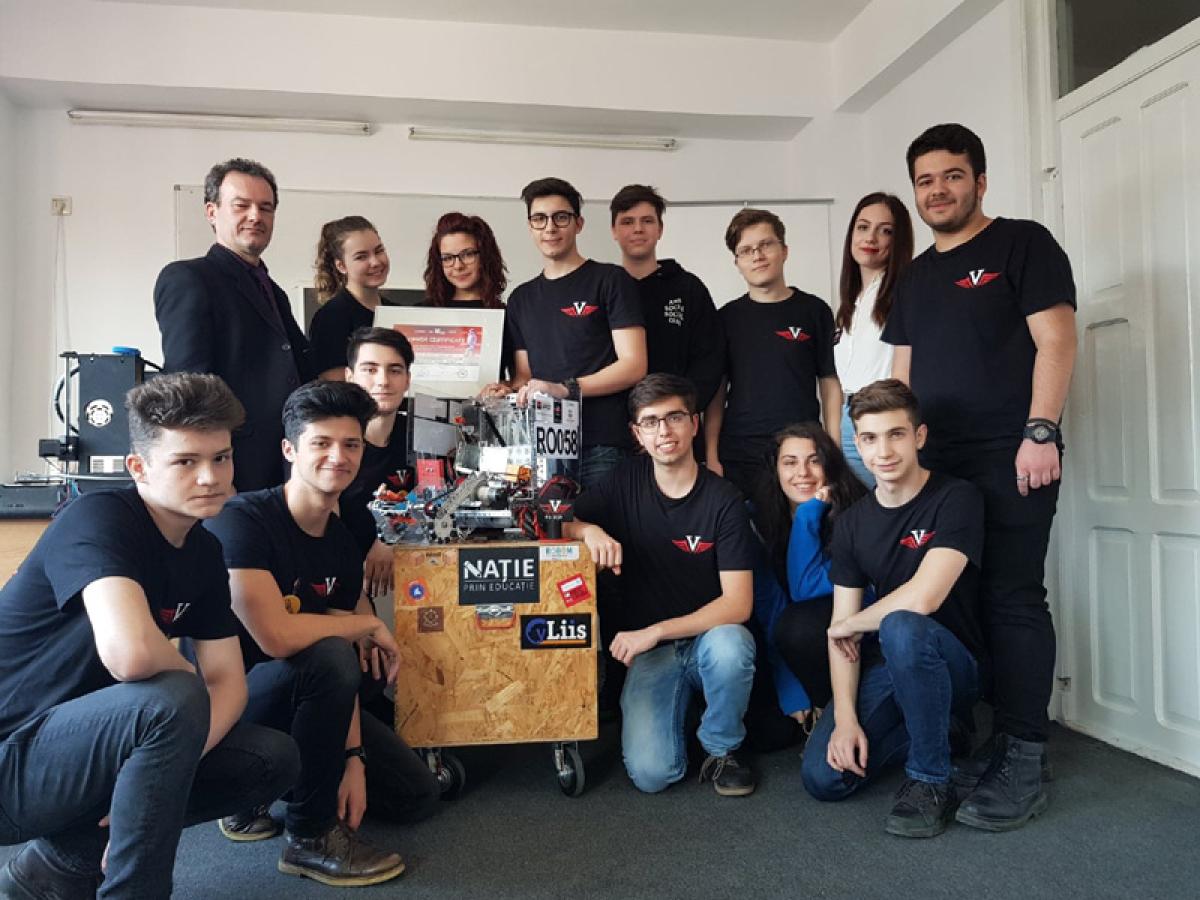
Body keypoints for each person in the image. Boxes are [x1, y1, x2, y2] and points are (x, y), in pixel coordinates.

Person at [0, 373, 299, 898]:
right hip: (13, 759)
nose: (210, 477)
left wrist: (159, 775)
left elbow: (229, 683)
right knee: (173, 697)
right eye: (185, 462)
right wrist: (181, 707)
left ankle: (59, 866)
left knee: (271, 757)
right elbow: (131, 655)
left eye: (222, 458)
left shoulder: (204, 550)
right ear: (138, 467)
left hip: (92, 749)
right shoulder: (97, 518)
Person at [884, 123, 1077, 831]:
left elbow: (1057, 338)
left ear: (981, 181)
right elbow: (902, 376)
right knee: (954, 600)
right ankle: (985, 735)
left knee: (1013, 596)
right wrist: (900, 459)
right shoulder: (914, 276)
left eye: (952, 175)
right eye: (926, 180)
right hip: (936, 464)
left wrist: (1040, 430)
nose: (938, 190)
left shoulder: (1023, 244)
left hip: (1011, 452)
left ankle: (1025, 753)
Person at [206, 381, 438, 887]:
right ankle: (308, 836)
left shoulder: (340, 543)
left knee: (417, 796)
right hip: (229, 709)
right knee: (328, 652)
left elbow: (344, 668)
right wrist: (369, 622)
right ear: (290, 450)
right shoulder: (241, 520)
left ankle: (273, 787)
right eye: (322, 443)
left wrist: (352, 759)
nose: (338, 456)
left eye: (351, 444)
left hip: (307, 699)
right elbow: (276, 637)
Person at [801, 379, 986, 839]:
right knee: (825, 778)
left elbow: (924, 598)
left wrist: (851, 624)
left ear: (919, 436)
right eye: (869, 438)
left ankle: (930, 780)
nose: (883, 451)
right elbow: (841, 634)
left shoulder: (956, 498)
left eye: (895, 434)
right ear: (857, 444)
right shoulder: (851, 524)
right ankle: (941, 732)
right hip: (890, 664)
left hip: (954, 662)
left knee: (903, 624)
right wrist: (845, 719)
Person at [566, 373, 758, 796]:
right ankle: (685, 713)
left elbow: (738, 604)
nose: (664, 431)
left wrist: (654, 630)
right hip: (653, 655)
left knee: (733, 644)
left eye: (674, 418)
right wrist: (588, 531)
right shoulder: (623, 482)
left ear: (694, 423)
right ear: (637, 433)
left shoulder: (724, 499)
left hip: (707, 640)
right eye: (650, 422)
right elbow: (560, 521)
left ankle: (721, 749)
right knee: (653, 775)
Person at [155, 158, 311, 492]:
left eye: (266, 208)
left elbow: (299, 368)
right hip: (233, 471)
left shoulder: (274, 291)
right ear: (212, 212)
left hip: (283, 466)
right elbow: (188, 387)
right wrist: (211, 473)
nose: (256, 216)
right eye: (242, 205)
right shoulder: (188, 278)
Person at [497, 176, 647, 489]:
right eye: (539, 219)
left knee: (601, 522)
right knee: (543, 523)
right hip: (542, 448)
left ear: (578, 224)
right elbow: (524, 376)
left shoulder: (610, 280)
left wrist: (566, 389)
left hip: (602, 443)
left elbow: (634, 365)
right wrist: (504, 391)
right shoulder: (521, 298)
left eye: (560, 217)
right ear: (530, 227)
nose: (550, 227)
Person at [705, 208, 842, 499]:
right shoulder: (725, 318)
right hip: (741, 452)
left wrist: (833, 448)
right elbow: (717, 392)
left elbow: (829, 383)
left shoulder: (815, 311)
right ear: (737, 262)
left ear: (784, 250)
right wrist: (711, 455)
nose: (757, 256)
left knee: (804, 524)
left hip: (802, 451)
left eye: (766, 244)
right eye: (746, 250)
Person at [750, 423, 868, 728]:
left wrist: (807, 515)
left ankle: (833, 709)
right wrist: (789, 682)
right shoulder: (760, 519)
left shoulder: (856, 512)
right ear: (775, 469)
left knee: (801, 622)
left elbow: (805, 588)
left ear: (830, 465)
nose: (802, 472)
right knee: (769, 732)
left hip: (856, 637)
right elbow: (771, 608)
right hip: (796, 642)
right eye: (790, 462)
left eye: (814, 461)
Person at [609, 184, 724, 415]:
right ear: (614, 231)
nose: (638, 229)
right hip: (613, 422)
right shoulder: (603, 288)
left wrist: (682, 409)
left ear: (660, 229)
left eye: (647, 221)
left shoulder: (688, 287)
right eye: (628, 222)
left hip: (676, 420)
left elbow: (710, 359)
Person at [834, 193, 914, 485]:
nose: (871, 238)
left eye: (885, 230)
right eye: (863, 227)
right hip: (849, 417)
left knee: (891, 503)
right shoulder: (851, 301)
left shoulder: (904, 293)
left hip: (883, 416)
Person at [341, 327, 415, 599]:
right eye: (370, 370)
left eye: (394, 370)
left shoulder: (422, 438)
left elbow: (440, 498)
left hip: (412, 579)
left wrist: (389, 536)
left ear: (407, 380)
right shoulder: (334, 443)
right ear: (350, 377)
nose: (383, 381)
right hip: (342, 582)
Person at [423, 211, 513, 382]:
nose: (458, 266)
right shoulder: (422, 314)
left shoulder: (506, 316)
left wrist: (503, 387)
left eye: (467, 254)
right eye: (448, 258)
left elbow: (519, 380)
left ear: (485, 257)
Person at [308, 216, 391, 380]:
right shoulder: (331, 317)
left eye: (379, 251)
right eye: (361, 257)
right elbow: (334, 387)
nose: (375, 262)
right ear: (341, 266)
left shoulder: (396, 312)